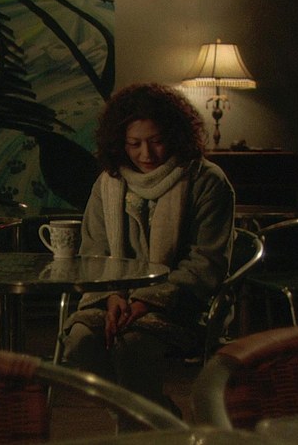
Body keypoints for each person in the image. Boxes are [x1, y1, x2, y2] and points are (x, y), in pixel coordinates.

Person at [62, 83, 234, 411]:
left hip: (182, 302)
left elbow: (205, 262)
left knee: (132, 345)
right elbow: (94, 251)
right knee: (80, 342)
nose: (146, 154)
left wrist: (146, 300)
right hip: (113, 297)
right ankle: (156, 416)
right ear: (119, 142)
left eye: (156, 141)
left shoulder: (206, 181)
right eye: (134, 144)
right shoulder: (109, 182)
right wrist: (112, 296)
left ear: (176, 136)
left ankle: (140, 425)